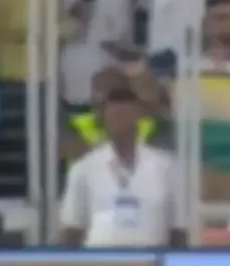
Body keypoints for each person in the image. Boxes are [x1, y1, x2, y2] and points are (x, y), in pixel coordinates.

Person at [57, 87, 186, 248]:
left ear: (138, 118)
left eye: (126, 116)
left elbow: (178, 230)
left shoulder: (166, 167)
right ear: (104, 121)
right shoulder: (84, 168)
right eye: (115, 117)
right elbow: (72, 230)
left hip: (152, 257)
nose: (121, 124)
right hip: (100, 258)